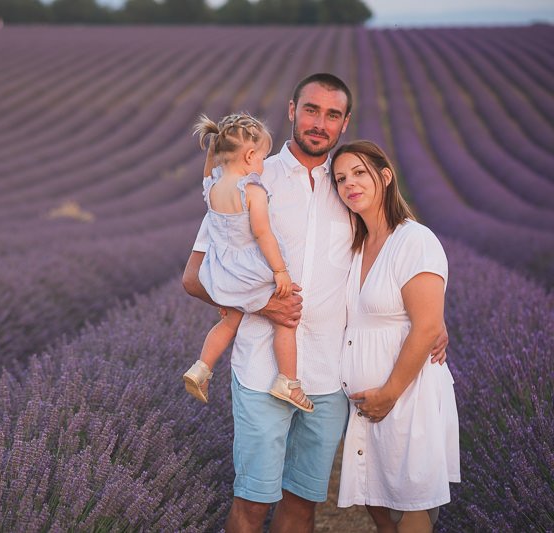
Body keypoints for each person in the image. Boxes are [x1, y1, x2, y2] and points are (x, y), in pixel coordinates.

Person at [182, 73, 449, 533]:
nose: (319, 123)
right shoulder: (251, 179)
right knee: (251, 503)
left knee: (302, 505)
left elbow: (388, 266)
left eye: (332, 114)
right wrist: (264, 305)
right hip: (261, 371)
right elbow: (194, 277)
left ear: (345, 123)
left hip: (328, 378)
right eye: (311, 109)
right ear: (291, 110)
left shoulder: (350, 190)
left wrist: (431, 323)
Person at [332, 140, 460, 533]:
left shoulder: (414, 241)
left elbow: (425, 327)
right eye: (340, 178)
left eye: (359, 173)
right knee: (375, 494)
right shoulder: (356, 245)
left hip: (407, 392)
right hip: (367, 401)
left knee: (410, 502)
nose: (349, 183)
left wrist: (389, 392)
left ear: (385, 177)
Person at [182, 112, 313, 412]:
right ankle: (287, 381)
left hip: (221, 270)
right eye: (262, 158)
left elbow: (209, 170)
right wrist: (280, 271)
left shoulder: (212, 187)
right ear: (250, 155)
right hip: (251, 271)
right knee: (286, 315)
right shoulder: (252, 191)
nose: (263, 165)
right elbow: (263, 233)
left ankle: (202, 367)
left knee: (230, 321)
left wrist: (215, 152)